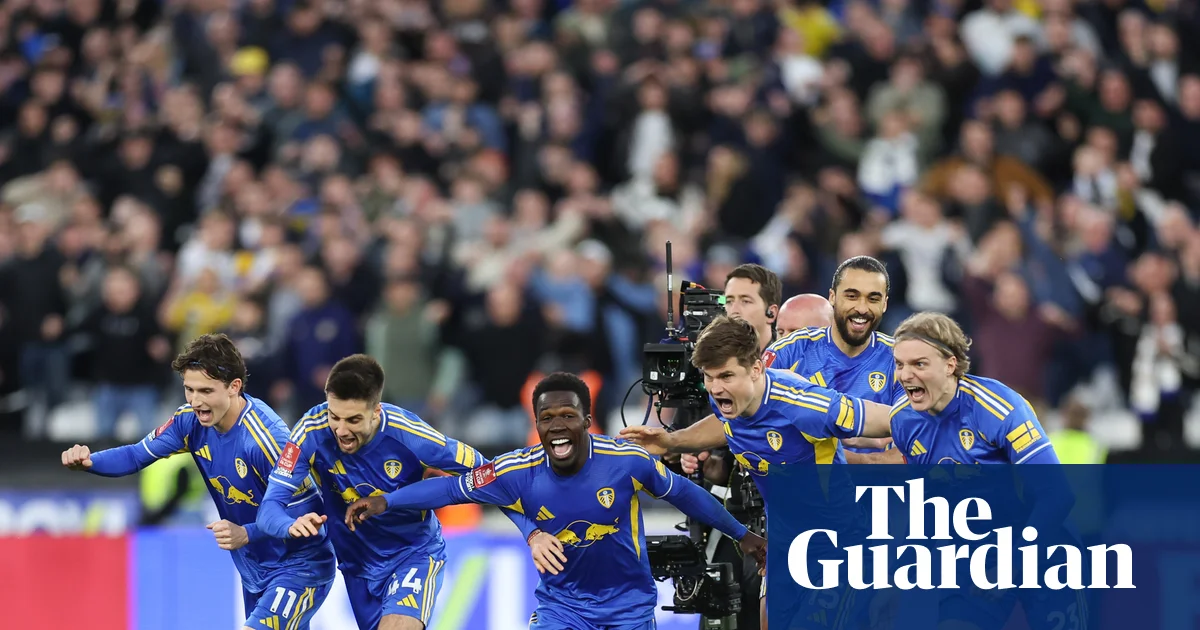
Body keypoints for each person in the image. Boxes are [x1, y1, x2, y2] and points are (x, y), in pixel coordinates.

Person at [343, 372, 766, 630]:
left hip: (629, 608)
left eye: (567, 416)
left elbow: (687, 494)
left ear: (587, 420)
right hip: (563, 609)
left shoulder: (626, 462)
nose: (557, 426)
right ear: (536, 424)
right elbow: (452, 489)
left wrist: (742, 535)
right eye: (547, 418)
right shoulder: (516, 471)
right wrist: (387, 502)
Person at [621, 316, 895, 629]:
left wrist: (932, 426)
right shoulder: (728, 398)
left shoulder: (804, 405)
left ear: (755, 369)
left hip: (834, 542)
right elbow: (726, 425)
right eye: (709, 377)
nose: (716, 387)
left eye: (726, 376)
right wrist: (673, 441)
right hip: (784, 540)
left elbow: (889, 419)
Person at [61, 334, 336, 630]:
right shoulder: (189, 422)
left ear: (234, 387)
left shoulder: (266, 439)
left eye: (206, 390)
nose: (195, 401)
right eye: (189, 389)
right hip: (255, 568)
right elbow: (136, 455)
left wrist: (246, 533)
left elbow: (308, 513)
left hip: (300, 566)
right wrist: (91, 462)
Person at [255, 354, 545, 630]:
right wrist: (289, 525)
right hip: (357, 567)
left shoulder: (412, 436)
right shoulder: (310, 431)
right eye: (334, 416)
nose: (341, 430)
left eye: (353, 420)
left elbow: (491, 478)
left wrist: (531, 532)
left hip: (412, 555)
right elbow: (269, 509)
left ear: (376, 411)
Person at [889, 312, 1082, 630]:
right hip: (977, 556)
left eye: (919, 364)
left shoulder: (998, 408)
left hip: (1044, 546)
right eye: (899, 364)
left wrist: (1013, 563)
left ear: (950, 365)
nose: (905, 375)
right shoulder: (903, 421)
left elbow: (1058, 496)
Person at [764, 256, 906, 461]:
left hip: (876, 481)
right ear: (832, 297)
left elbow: (916, 446)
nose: (862, 308)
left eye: (873, 299)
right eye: (852, 296)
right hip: (802, 480)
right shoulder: (791, 350)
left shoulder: (900, 358)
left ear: (884, 304)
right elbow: (752, 418)